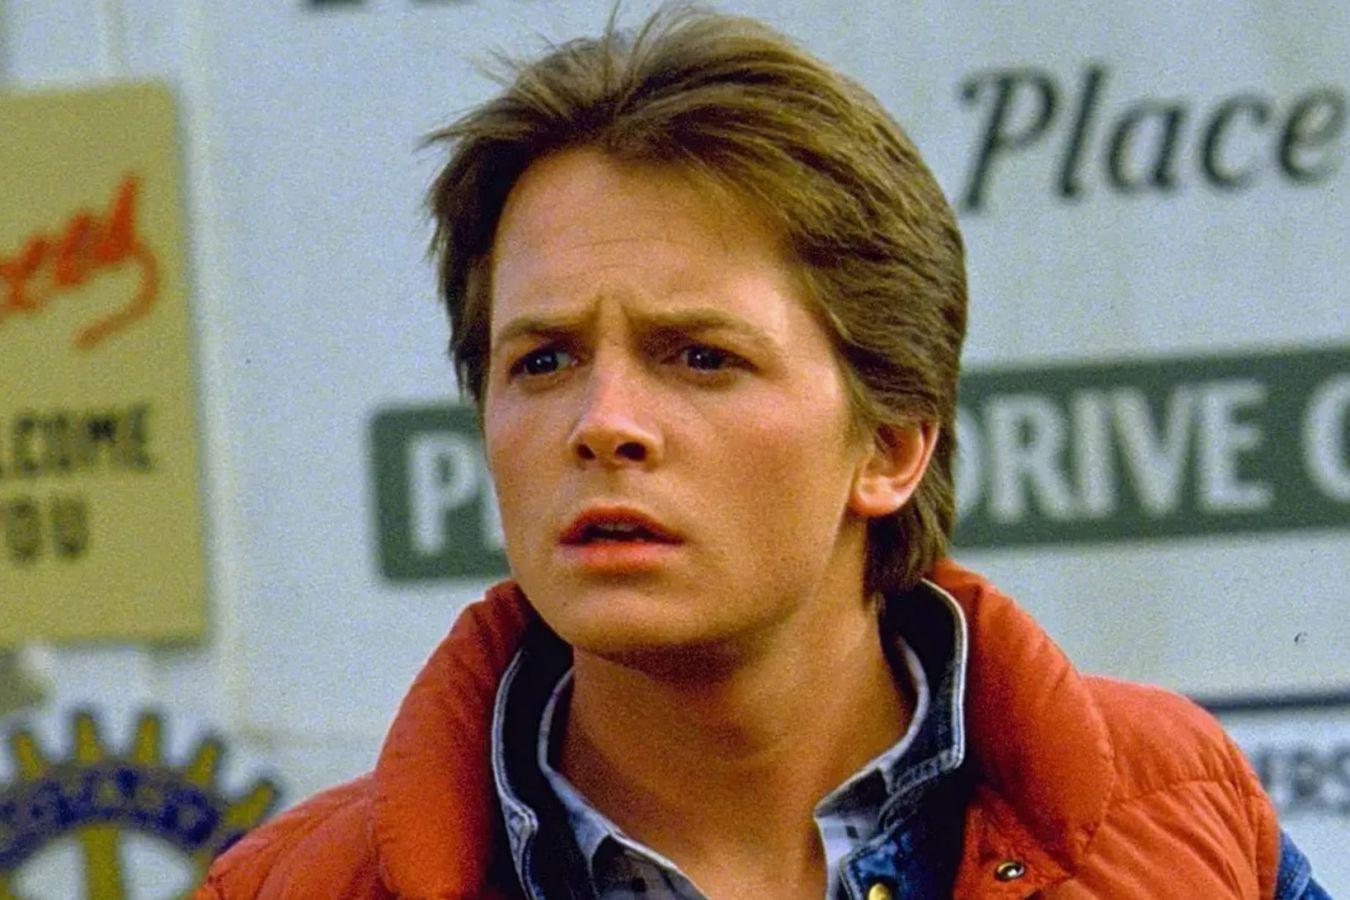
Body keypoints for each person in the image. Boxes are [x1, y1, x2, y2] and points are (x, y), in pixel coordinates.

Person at [197, 7, 1327, 899]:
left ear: (890, 446)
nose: (603, 421)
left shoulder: (1182, 815)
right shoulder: (292, 886)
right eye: (542, 360)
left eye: (700, 356)